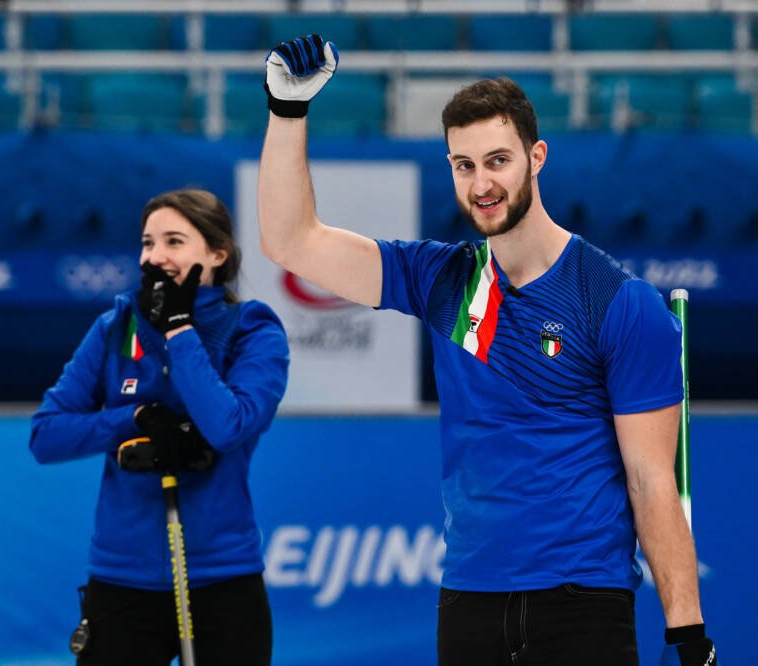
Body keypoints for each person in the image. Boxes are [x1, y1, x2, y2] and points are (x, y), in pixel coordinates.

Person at [258, 35, 717, 666]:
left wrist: (687, 634)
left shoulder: (618, 301)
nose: (481, 184)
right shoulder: (442, 280)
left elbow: (650, 481)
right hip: (469, 601)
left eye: (497, 161)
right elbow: (291, 243)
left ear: (537, 157)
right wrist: (287, 114)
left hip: (581, 603)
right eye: (463, 165)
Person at [29, 188, 289, 666]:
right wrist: (135, 419)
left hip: (221, 578)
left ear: (217, 253)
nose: (156, 256)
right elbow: (46, 436)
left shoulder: (252, 329)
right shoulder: (115, 326)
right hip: (123, 579)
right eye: (148, 243)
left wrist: (178, 329)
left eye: (174, 241)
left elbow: (229, 426)